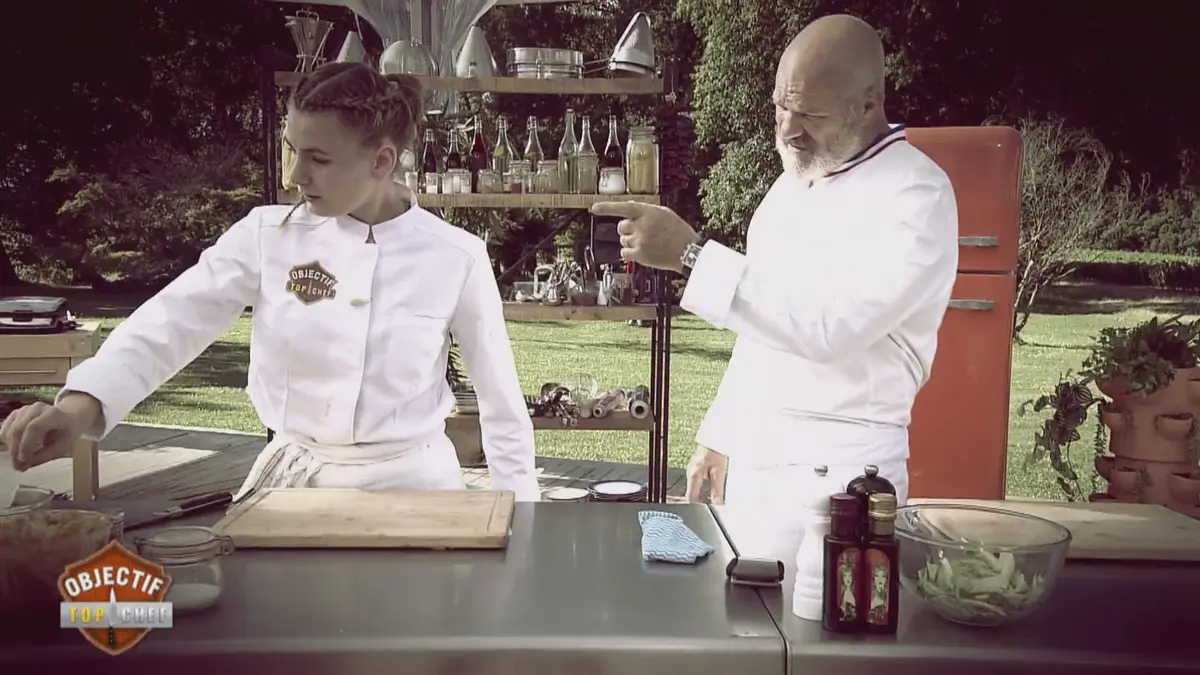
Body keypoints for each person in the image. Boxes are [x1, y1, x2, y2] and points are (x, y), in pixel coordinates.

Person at [0, 62, 540, 501]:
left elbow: (502, 407)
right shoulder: (266, 237)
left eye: (318, 158)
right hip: (290, 489)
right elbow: (170, 324)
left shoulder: (456, 256)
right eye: (291, 149)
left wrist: (524, 517)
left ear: (381, 161)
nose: (294, 175)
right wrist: (77, 410)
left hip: (416, 490)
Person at [592, 15, 958, 568]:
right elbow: (763, 326)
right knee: (741, 610)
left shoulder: (917, 195)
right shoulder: (792, 185)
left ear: (868, 104)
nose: (788, 130)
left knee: (822, 616)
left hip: (845, 474)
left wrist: (690, 255)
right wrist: (722, 433)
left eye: (810, 114)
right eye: (780, 107)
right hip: (758, 462)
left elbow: (830, 328)